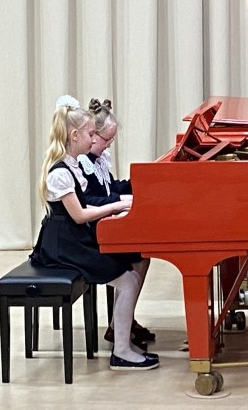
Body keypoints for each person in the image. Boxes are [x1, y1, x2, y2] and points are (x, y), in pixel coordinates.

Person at [30, 95, 159, 371]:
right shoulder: (60, 173)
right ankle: (121, 352)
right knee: (128, 280)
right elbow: (80, 214)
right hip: (63, 247)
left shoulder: (74, 165)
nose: (93, 141)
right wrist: (115, 206)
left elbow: (86, 206)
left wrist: (120, 202)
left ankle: (123, 339)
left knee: (129, 269)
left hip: (74, 239)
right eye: (90, 134)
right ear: (74, 135)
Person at [77, 98, 156, 348]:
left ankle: (123, 319)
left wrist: (141, 183)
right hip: (89, 232)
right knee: (137, 257)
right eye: (106, 139)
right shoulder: (81, 163)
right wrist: (121, 200)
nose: (109, 144)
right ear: (92, 135)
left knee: (141, 256)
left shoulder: (98, 161)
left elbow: (110, 187)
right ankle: (120, 322)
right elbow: (89, 200)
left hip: (102, 224)